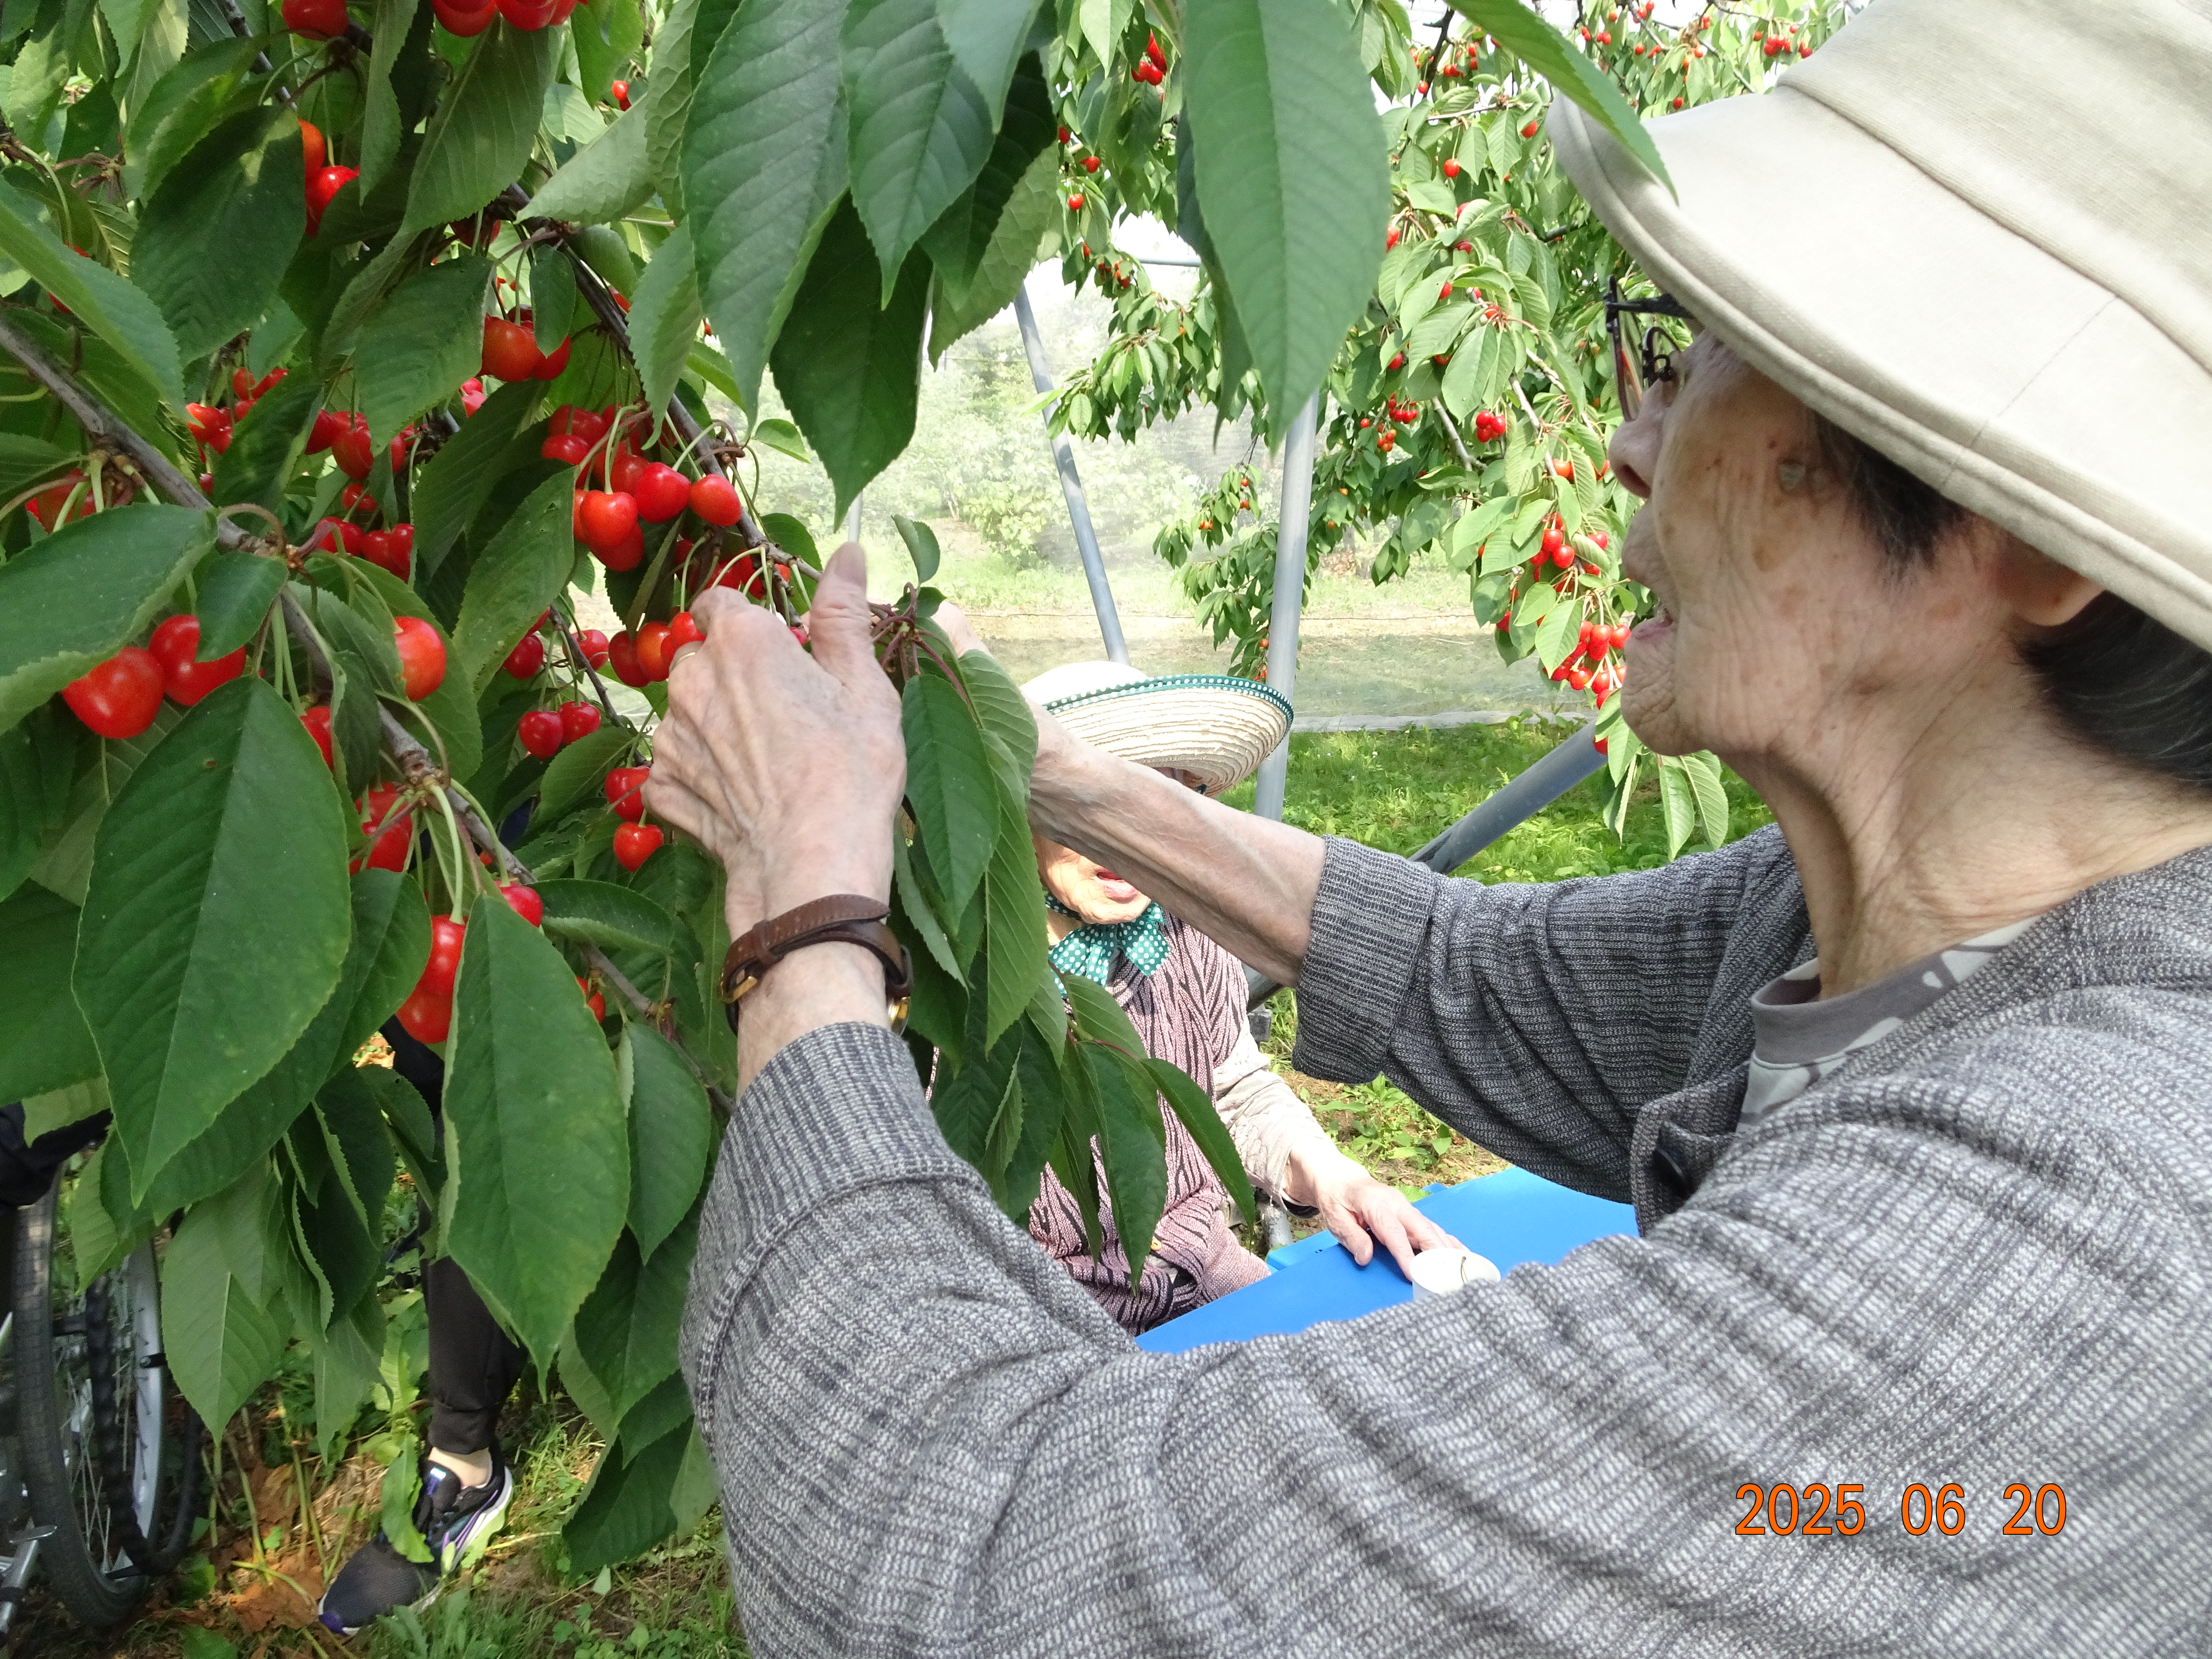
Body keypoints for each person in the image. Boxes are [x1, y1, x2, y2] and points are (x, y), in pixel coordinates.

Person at [647, 1, 2212, 1650]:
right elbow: (1473, 966)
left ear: (2024, 532)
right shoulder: (1870, 924)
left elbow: (964, 1571)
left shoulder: (2046, 1250)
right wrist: (1055, 769)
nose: (1622, 439)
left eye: (1688, 360)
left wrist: (801, 909)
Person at [1015, 661, 1449, 1330]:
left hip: (1203, 1265)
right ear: (1023, 812)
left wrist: (1335, 1177)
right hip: (1051, 1308)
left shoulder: (1186, 925)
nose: (1124, 843)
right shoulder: (969, 983)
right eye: (1086, 814)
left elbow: (1234, 1087)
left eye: (1155, 808)